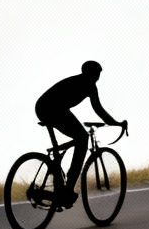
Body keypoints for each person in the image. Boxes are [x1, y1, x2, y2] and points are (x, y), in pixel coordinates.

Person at [34, 61, 125, 208]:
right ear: (90, 73)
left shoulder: (85, 83)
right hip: (52, 107)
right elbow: (100, 111)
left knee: (79, 137)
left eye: (98, 74)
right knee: (82, 137)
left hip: (44, 107)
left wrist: (116, 123)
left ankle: (60, 187)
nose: (97, 77)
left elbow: (99, 111)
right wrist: (117, 124)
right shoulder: (85, 84)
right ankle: (68, 188)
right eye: (96, 74)